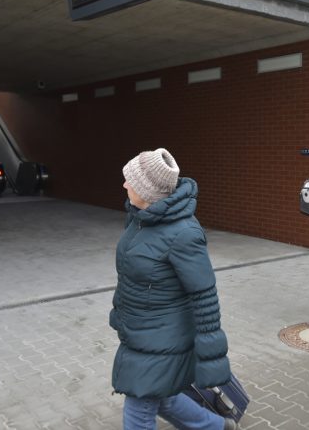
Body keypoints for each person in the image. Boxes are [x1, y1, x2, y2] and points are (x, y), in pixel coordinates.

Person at [111, 148, 236, 430]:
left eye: (129, 180)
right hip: (140, 330)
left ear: (146, 190)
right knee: (161, 395)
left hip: (165, 337)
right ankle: (218, 426)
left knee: (139, 406)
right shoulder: (140, 217)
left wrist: (211, 356)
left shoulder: (184, 234)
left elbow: (204, 294)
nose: (124, 185)